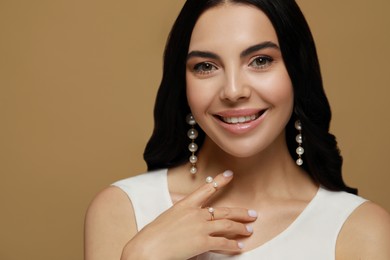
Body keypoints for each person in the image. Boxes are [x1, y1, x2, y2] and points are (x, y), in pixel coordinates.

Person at [84, 0, 390, 259]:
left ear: (298, 73)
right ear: (183, 85)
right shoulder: (123, 209)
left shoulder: (359, 229)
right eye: (206, 66)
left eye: (260, 60)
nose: (232, 91)